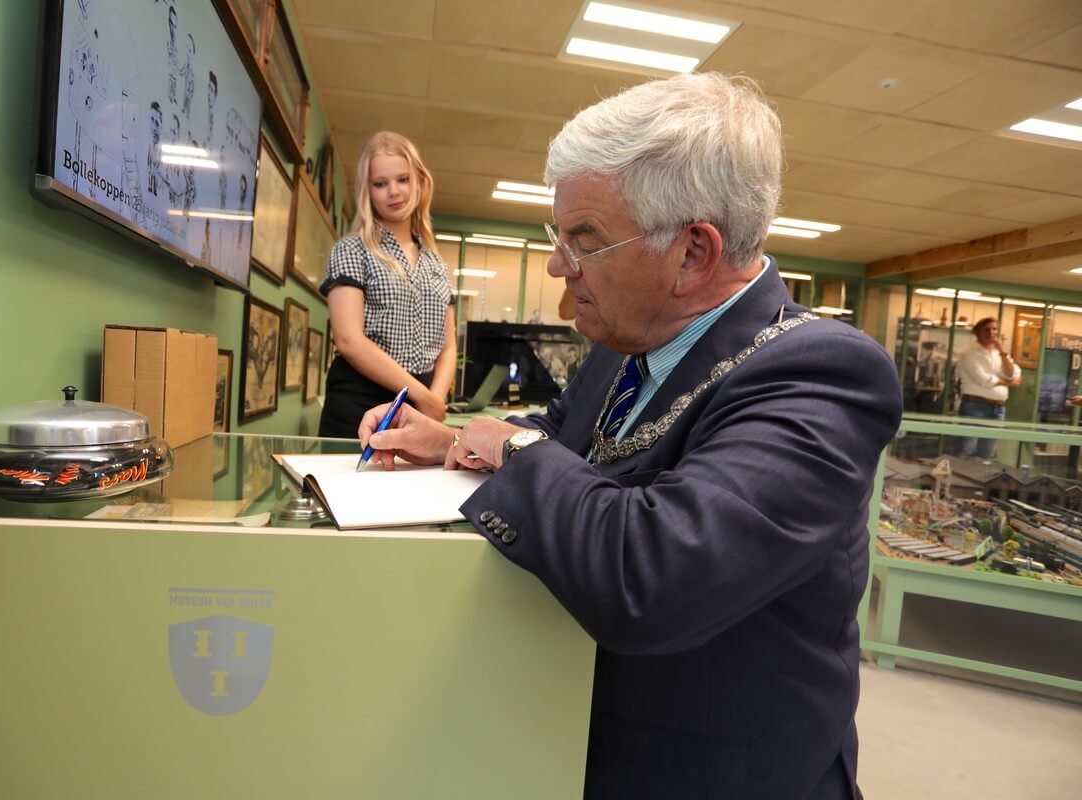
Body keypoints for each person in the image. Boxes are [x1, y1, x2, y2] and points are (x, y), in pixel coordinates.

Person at [358, 72, 901, 798]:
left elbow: (656, 573)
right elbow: (557, 438)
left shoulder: (823, 375)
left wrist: (512, 449)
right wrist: (452, 437)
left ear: (693, 254)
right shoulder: (625, 342)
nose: (558, 265)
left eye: (584, 239)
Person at [318, 131, 456, 438]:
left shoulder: (436, 264)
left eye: (403, 179)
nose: (394, 191)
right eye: (381, 183)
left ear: (419, 181)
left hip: (421, 407)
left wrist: (434, 402)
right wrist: (421, 396)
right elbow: (348, 340)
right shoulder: (351, 249)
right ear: (367, 190)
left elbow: (448, 347)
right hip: (358, 404)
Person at [955, 317, 1020, 459]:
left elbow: (1012, 373)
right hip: (974, 406)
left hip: (998, 409)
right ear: (978, 333)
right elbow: (984, 380)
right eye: (987, 329)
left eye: (995, 329)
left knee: (988, 454)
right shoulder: (968, 354)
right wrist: (1009, 383)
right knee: (966, 450)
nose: (992, 332)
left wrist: (1002, 351)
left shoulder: (999, 354)